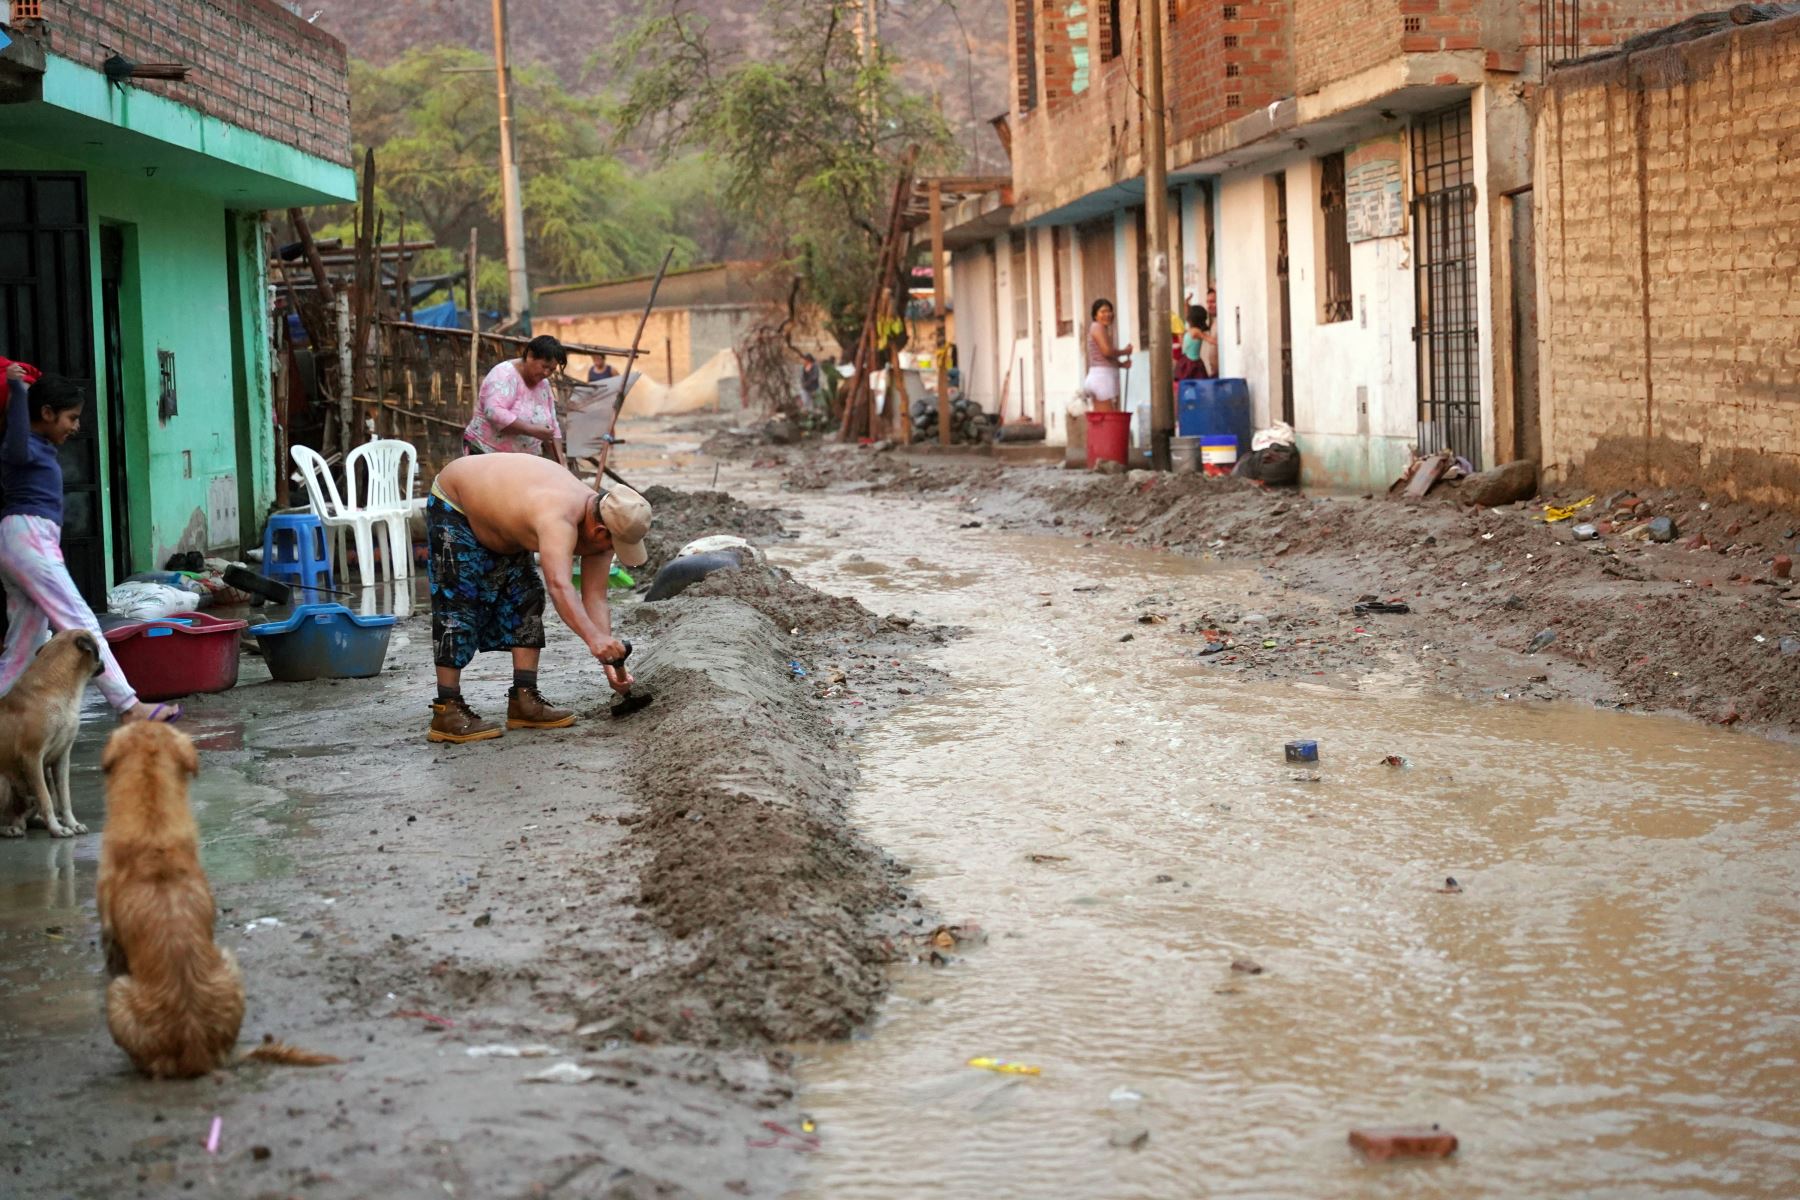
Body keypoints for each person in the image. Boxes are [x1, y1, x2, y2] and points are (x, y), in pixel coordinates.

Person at [424, 452, 652, 744]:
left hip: (505, 517)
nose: (612, 551)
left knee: (526, 595)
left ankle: (525, 698)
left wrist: (609, 661)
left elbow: (595, 597)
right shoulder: (558, 516)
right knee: (458, 600)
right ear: (599, 531)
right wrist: (594, 640)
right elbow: (559, 585)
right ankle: (447, 709)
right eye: (614, 545)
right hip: (456, 503)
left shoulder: (603, 523)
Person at [0, 364, 178, 723]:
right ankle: (129, 706)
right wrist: (18, 392)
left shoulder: (38, 447)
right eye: (71, 417)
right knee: (81, 624)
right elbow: (15, 445)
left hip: (20, 540)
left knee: (23, 646)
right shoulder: (24, 446)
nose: (76, 426)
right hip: (29, 538)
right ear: (46, 413)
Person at [464, 334, 567, 463]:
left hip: (521, 460)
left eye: (551, 370)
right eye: (544, 366)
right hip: (485, 453)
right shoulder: (504, 374)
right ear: (530, 356)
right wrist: (530, 429)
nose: (547, 373)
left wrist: (561, 463)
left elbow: (552, 425)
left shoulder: (543, 385)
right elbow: (493, 412)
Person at [1086, 298, 1132, 411]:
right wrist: (1124, 351)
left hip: (1101, 377)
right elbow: (1107, 351)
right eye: (1103, 312)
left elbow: (1105, 357)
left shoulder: (1101, 329)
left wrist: (1121, 365)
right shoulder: (1097, 327)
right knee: (1107, 418)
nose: (1107, 314)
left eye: (1109, 311)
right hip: (1101, 379)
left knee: (1107, 418)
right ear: (1095, 315)